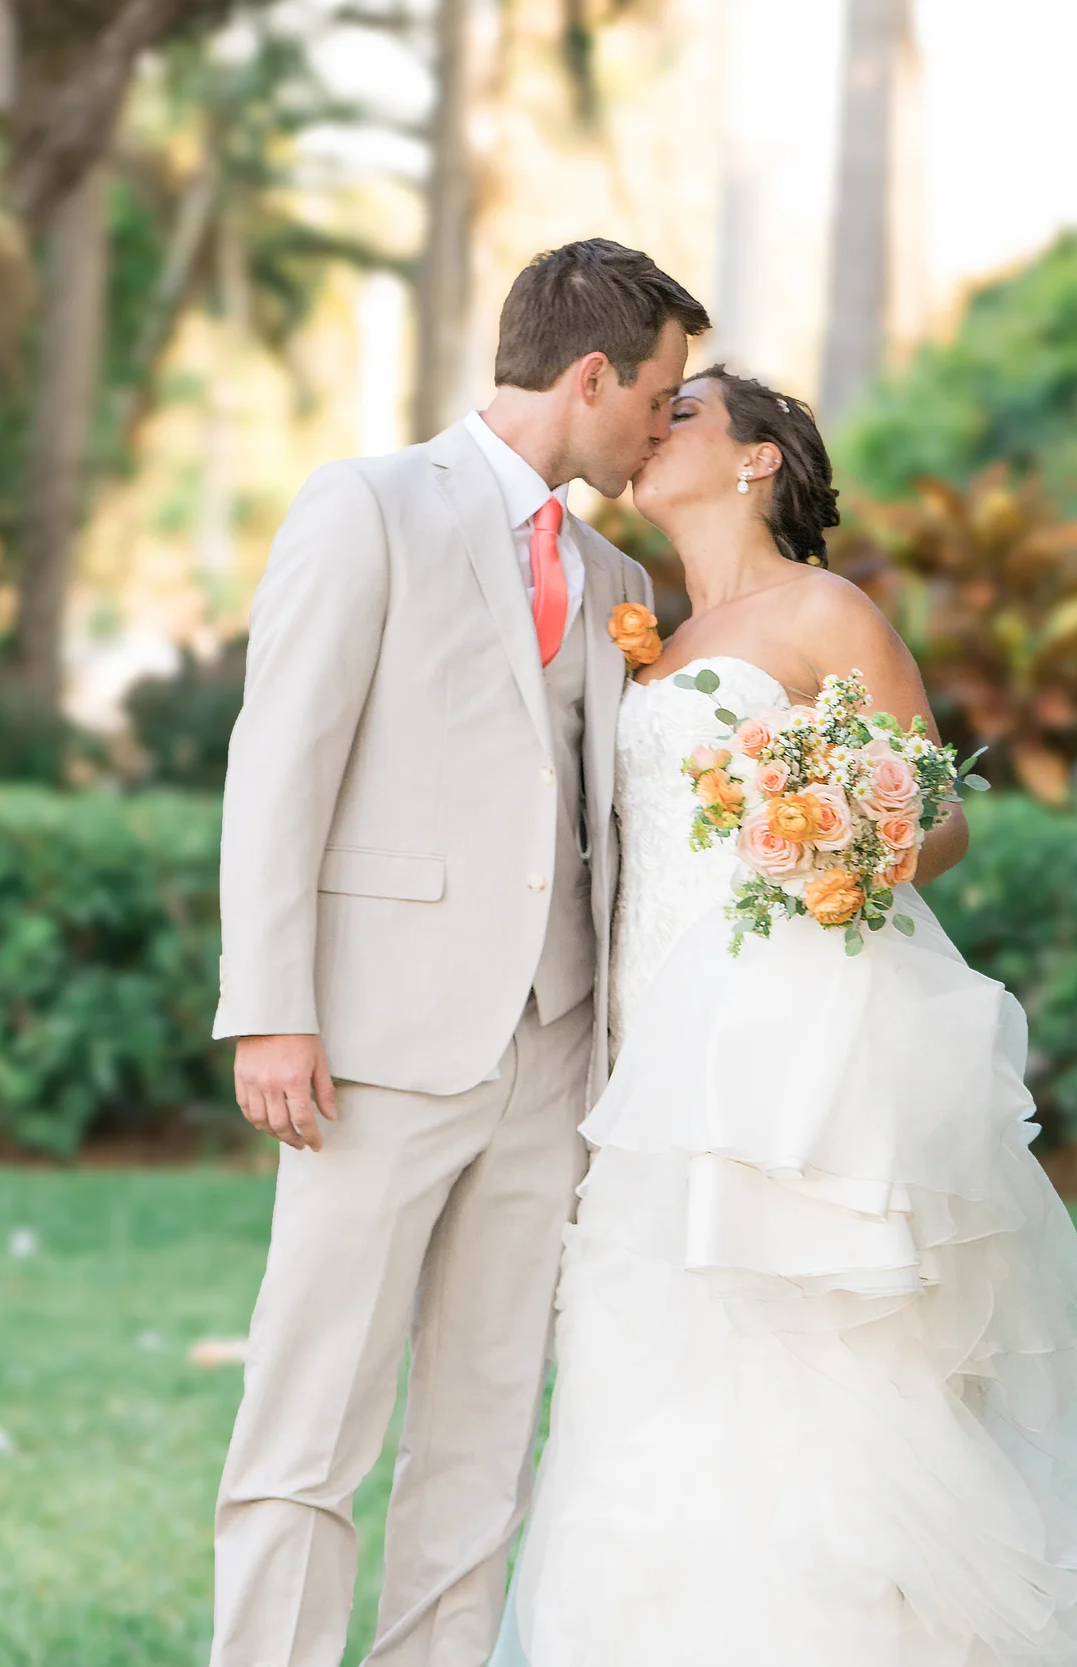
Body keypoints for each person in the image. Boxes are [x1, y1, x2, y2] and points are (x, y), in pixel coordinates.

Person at [487, 367, 1077, 1665]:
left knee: (817, 1377)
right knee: (642, 1372)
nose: (652, 428)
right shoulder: (647, 620)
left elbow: (939, 815)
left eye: (685, 414)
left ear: (759, 458)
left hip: (792, 1036)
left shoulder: (826, 610)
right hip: (649, 1053)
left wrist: (839, 832)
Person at [208, 238, 710, 1667]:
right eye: (658, 397)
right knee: (310, 1427)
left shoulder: (617, 570)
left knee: (483, 1439)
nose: (662, 427)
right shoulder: (365, 507)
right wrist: (272, 1009)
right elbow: (279, 767)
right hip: (372, 1047)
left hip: (551, 1060)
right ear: (593, 373)